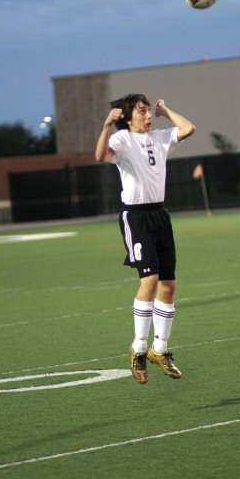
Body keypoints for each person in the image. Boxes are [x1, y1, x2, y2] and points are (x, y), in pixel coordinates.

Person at [95, 94, 195, 384]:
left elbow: (189, 129)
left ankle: (160, 349)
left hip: (159, 216)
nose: (148, 115)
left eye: (149, 110)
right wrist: (105, 127)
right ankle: (139, 349)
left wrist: (166, 111)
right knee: (149, 281)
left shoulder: (161, 137)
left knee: (169, 284)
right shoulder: (123, 139)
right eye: (142, 111)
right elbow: (100, 156)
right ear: (127, 117)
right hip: (135, 217)